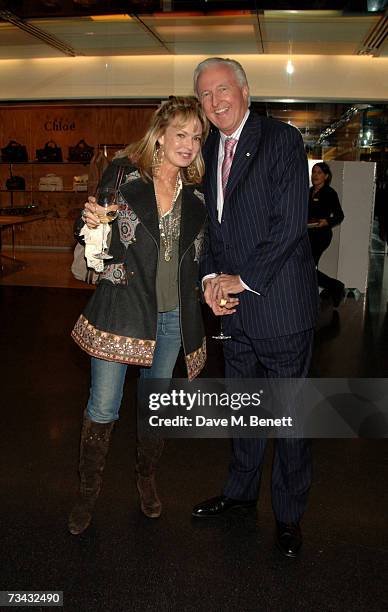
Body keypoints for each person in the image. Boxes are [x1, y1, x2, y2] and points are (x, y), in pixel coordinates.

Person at [191, 57, 319, 558]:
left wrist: (239, 280)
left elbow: (289, 225)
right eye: (205, 95)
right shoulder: (204, 149)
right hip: (230, 310)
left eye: (222, 89)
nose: (215, 101)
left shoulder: (281, 140)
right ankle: (241, 495)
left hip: (278, 306)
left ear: (245, 91)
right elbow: (210, 228)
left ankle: (288, 516)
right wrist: (208, 278)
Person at [68, 96, 209, 535]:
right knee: (104, 406)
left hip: (172, 318)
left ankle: (146, 479)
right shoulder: (126, 174)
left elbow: (200, 259)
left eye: (197, 137)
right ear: (161, 135)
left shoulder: (199, 195)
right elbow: (95, 226)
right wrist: (90, 221)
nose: (188, 144)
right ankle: (88, 493)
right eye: (181, 134)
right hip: (123, 309)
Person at [308, 162, 345, 307]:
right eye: (313, 172)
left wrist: (327, 221)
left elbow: (339, 215)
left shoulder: (330, 193)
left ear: (326, 176)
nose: (315, 175)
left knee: (308, 267)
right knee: (307, 268)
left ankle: (334, 287)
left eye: (319, 173)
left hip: (321, 236)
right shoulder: (309, 191)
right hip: (307, 234)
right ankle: (334, 287)